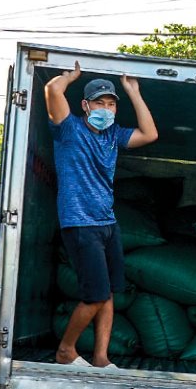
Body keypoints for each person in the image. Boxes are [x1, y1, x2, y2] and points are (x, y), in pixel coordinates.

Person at [45, 61, 158, 368]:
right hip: (80, 224)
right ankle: (66, 350)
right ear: (85, 105)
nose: (106, 109)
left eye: (111, 104)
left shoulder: (114, 136)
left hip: (107, 225)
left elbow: (150, 134)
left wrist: (132, 92)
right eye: (99, 103)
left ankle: (101, 358)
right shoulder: (68, 129)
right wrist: (70, 77)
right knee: (94, 295)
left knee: (107, 294)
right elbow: (52, 89)